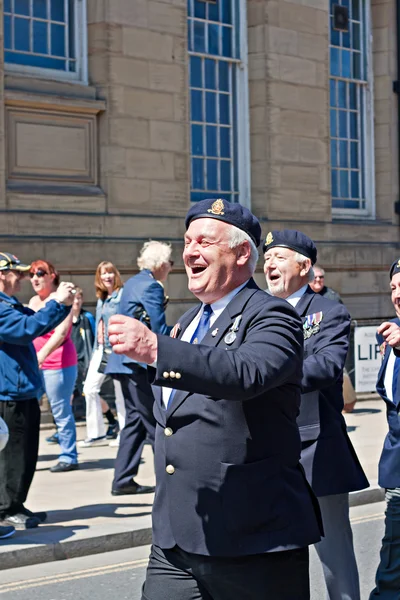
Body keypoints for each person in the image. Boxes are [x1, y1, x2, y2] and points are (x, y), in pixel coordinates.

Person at [108, 199, 322, 600]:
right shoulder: (188, 321)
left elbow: (245, 372)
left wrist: (158, 349)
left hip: (252, 538)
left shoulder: (272, 315)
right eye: (187, 241)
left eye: (204, 242)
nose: (189, 251)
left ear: (242, 253)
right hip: (176, 541)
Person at [263, 230, 369, 600]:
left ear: (304, 266)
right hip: (264, 451)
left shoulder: (329, 312)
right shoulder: (256, 310)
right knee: (273, 558)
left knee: (333, 555)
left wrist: (264, 375)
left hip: (314, 449)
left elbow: (325, 368)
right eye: (266, 258)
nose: (269, 264)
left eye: (279, 256)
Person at [0, 251, 74, 528]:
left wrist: (62, 305)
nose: (21, 278)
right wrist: (56, 302)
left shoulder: (9, 303)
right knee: (12, 456)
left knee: (26, 454)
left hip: (22, 389)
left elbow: (36, 321)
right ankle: (5, 509)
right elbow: (26, 329)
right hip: (9, 392)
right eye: (16, 273)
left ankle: (16, 503)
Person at [106, 241, 172, 495]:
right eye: (169, 262)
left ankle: (123, 479)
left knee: (134, 421)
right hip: (136, 364)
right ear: (160, 264)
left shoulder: (133, 282)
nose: (170, 267)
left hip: (122, 363)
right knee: (155, 422)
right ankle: (169, 480)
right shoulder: (152, 286)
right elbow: (159, 329)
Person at [29, 260, 79, 473]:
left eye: (40, 273)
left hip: (58, 363)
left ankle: (69, 456)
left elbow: (61, 333)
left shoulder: (62, 299)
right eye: (32, 274)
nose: (35, 278)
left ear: (52, 276)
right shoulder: (32, 301)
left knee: (60, 410)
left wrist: (40, 355)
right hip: (36, 364)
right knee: (29, 409)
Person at [369, 258, 400, 598]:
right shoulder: (392, 332)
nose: (397, 293)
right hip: (397, 467)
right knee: (393, 563)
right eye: (393, 287)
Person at [80, 262, 125, 447]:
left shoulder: (121, 295)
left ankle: (124, 433)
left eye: (110, 273)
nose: (107, 276)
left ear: (116, 275)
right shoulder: (102, 298)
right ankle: (96, 433)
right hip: (101, 349)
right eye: (103, 273)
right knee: (89, 389)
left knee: (121, 393)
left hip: (116, 349)